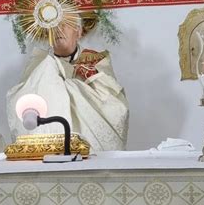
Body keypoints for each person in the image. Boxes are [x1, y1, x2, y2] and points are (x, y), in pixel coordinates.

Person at [7, 18, 129, 151]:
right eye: (54, 26)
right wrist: (50, 73)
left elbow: (115, 105)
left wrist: (69, 87)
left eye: (66, 24)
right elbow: (21, 100)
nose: (59, 29)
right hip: (48, 151)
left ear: (79, 31)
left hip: (90, 152)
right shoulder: (39, 63)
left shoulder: (96, 61)